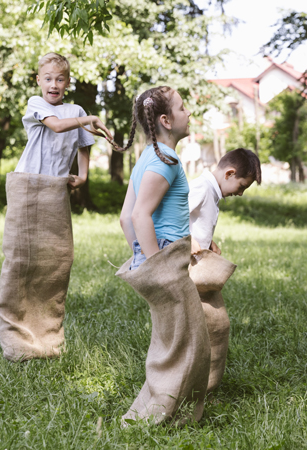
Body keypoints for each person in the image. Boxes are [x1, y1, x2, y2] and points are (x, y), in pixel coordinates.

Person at [0, 52, 115, 362]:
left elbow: (85, 144)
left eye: (60, 79)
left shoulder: (76, 109)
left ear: (68, 82)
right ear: (38, 81)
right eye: (48, 78)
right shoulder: (37, 104)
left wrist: (84, 175)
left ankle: (47, 339)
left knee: (54, 262)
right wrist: (87, 119)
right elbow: (59, 127)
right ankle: (16, 338)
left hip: (55, 190)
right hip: (28, 185)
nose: (54, 84)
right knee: (21, 259)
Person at [115, 86, 211, 425]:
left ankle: (167, 413)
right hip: (166, 260)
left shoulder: (148, 157)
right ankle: (161, 418)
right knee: (188, 346)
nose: (189, 113)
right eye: (183, 108)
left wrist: (140, 255)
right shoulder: (165, 161)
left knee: (172, 343)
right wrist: (157, 267)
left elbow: (125, 217)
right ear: (166, 120)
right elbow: (140, 216)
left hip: (156, 257)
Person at [188, 148, 261, 394]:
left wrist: (208, 242)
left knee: (216, 324)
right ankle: (196, 385)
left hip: (199, 260)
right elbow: (173, 215)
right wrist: (187, 240)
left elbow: (198, 221)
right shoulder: (202, 188)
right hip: (187, 265)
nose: (240, 193)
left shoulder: (213, 191)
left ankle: (206, 387)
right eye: (241, 186)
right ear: (229, 173)